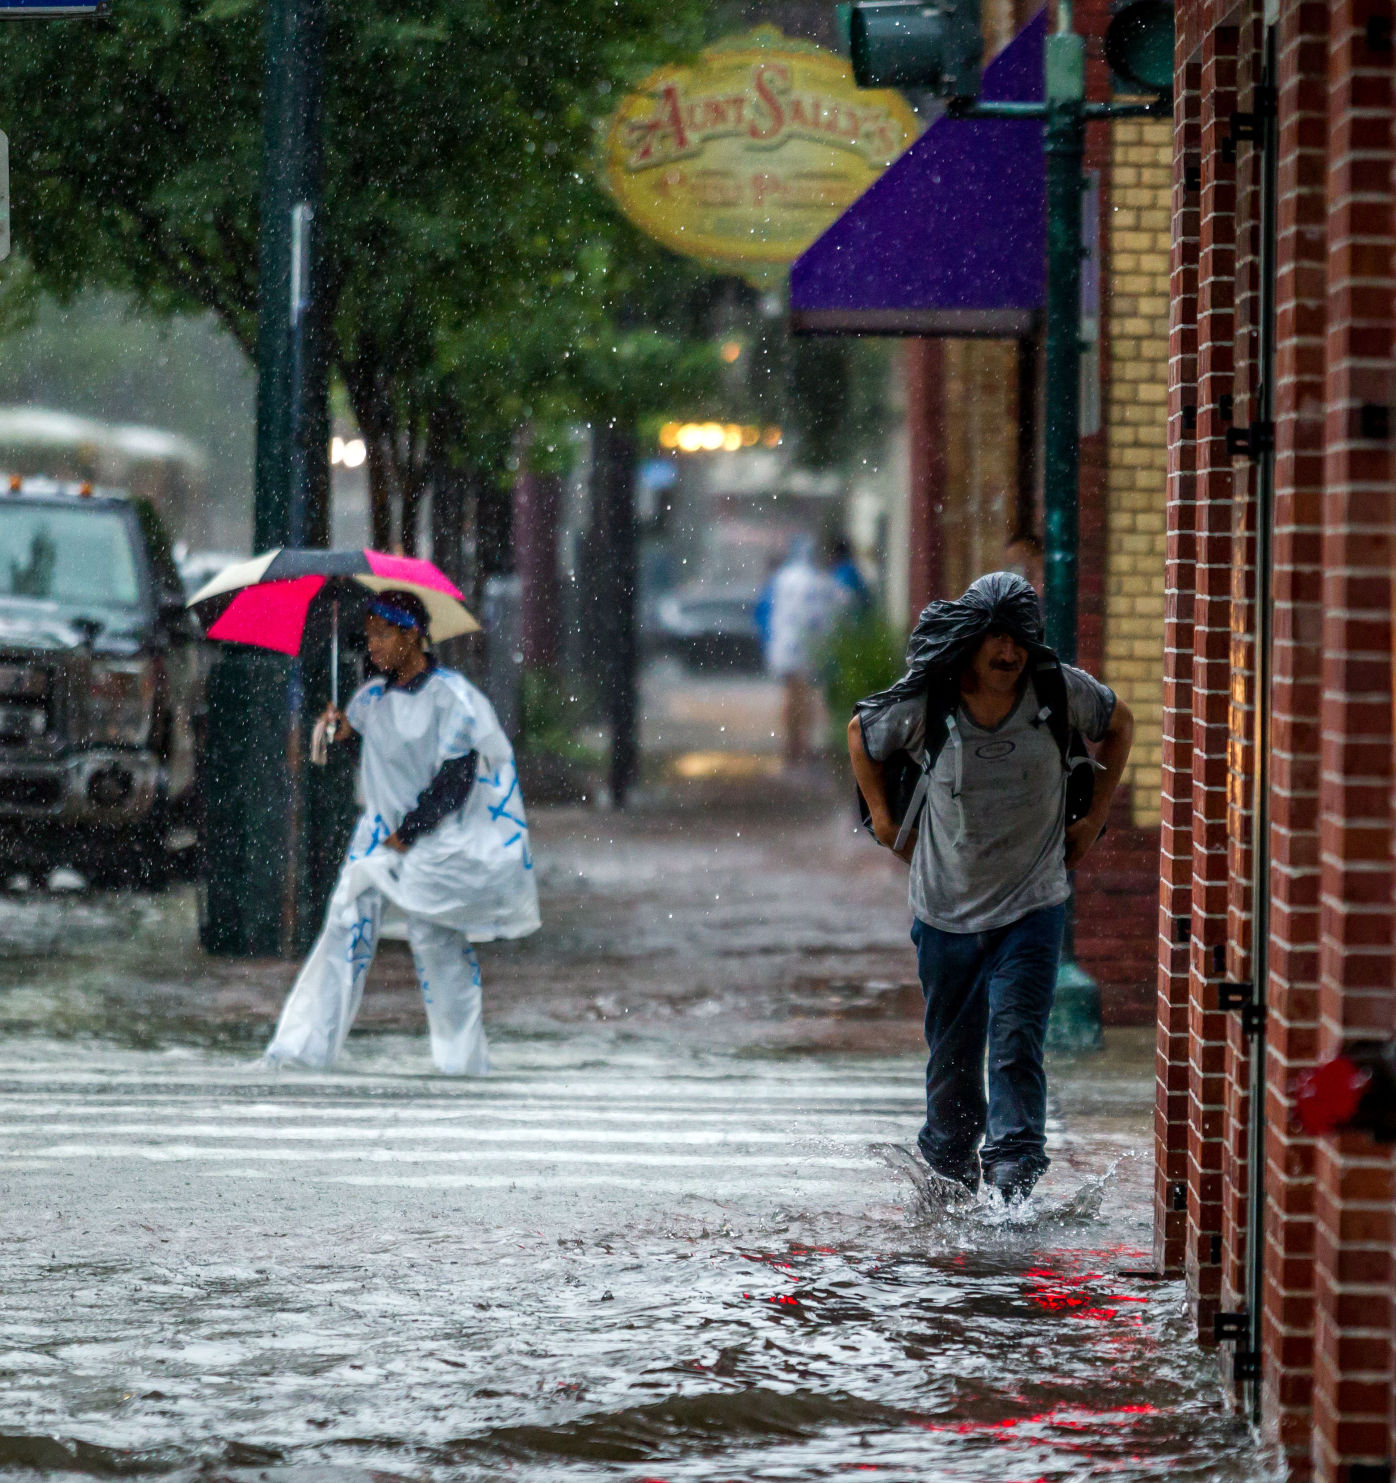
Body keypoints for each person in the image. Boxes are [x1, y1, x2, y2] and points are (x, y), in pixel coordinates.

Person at [847, 572, 1133, 1202]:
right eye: (997, 639)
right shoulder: (931, 700)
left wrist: (1094, 817)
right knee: (952, 1062)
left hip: (1032, 907)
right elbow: (861, 735)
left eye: (1019, 640)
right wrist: (886, 822)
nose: (1009, 654)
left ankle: (1012, 1183)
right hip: (945, 912)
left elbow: (1120, 724)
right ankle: (949, 1176)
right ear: (973, 639)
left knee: (1014, 1043)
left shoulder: (1057, 691)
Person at [264, 590, 540, 1075]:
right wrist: (333, 730)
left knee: (438, 947)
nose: (371, 644)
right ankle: (303, 1051)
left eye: (381, 633)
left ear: (412, 635)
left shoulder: (454, 700)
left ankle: (462, 1064)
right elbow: (354, 746)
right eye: (367, 634)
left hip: (436, 845)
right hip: (378, 838)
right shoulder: (371, 698)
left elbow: (454, 782)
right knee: (345, 929)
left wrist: (410, 833)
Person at [764, 535, 851, 767]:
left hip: (786, 649)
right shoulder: (821, 581)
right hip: (810, 651)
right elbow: (842, 605)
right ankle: (803, 747)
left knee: (792, 698)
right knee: (806, 699)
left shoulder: (783, 580)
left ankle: (791, 748)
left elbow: (767, 611)